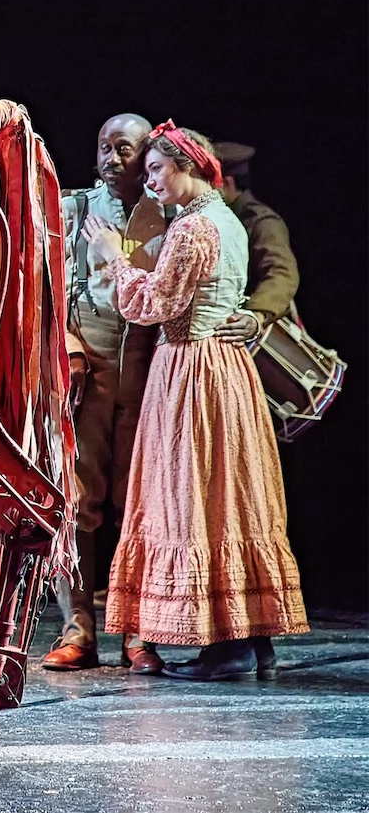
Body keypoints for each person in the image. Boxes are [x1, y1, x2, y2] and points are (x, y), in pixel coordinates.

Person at [88, 122, 308, 681]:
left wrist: (113, 257)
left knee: (195, 496)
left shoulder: (193, 228)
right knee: (226, 495)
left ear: (186, 167)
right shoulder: (226, 220)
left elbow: (152, 304)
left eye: (157, 169)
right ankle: (252, 638)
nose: (150, 181)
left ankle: (225, 647)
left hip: (193, 369)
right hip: (224, 368)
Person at [43, 114, 167, 674]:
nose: (112, 159)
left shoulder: (169, 212)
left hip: (146, 365)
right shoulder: (74, 208)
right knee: (77, 499)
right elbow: (46, 289)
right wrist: (67, 348)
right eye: (104, 147)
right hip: (88, 365)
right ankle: (78, 629)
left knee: (139, 502)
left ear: (146, 155)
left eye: (124, 149)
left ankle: (140, 633)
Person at [212, 141, 300, 342]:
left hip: (252, 333)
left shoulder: (262, 222)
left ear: (226, 182)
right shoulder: (215, 217)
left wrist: (257, 314)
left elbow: (281, 273)